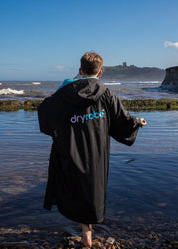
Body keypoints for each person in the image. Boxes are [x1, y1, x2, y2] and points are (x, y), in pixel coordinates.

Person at [38, 52, 147, 247]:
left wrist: (61, 88)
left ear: (80, 70)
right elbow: (122, 119)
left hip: (71, 150)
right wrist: (137, 122)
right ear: (100, 72)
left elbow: (46, 112)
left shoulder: (64, 92)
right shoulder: (106, 93)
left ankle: (86, 234)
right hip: (96, 153)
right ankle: (87, 235)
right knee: (92, 190)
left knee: (74, 188)